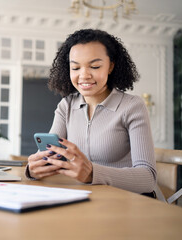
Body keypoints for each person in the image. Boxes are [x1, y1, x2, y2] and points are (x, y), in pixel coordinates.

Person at [25, 29, 156, 195]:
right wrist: (33, 170)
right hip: (86, 198)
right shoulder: (66, 106)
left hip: (126, 202)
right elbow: (46, 156)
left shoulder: (132, 106)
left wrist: (93, 173)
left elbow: (148, 179)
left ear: (111, 66)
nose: (84, 75)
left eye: (94, 66)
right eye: (75, 67)